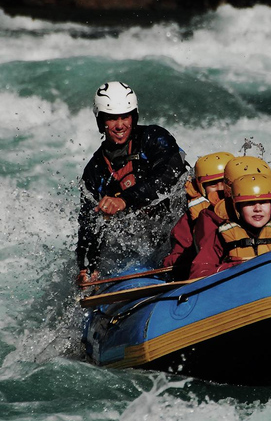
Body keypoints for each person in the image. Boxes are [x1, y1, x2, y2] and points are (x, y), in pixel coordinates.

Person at [76, 81, 188, 286]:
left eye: (125, 116)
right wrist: (86, 267)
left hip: (181, 227)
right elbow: (88, 225)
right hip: (144, 245)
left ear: (133, 117)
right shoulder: (95, 171)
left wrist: (125, 200)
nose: (120, 125)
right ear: (101, 121)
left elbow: (169, 175)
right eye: (112, 118)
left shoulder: (154, 139)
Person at [188, 173, 271, 279]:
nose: (257, 209)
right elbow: (199, 272)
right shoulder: (222, 235)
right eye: (249, 203)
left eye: (264, 202)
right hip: (240, 290)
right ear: (237, 208)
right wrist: (232, 268)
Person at [162, 151, 234, 280]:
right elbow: (174, 256)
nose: (220, 189)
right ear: (201, 188)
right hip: (209, 270)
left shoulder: (256, 208)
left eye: (224, 182)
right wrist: (189, 257)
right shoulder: (189, 220)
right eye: (213, 184)